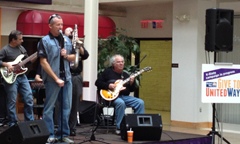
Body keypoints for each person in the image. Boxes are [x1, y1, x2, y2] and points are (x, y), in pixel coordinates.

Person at [37, 14, 76, 143]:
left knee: (66, 108)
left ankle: (63, 134)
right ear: (50, 26)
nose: (60, 27)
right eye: (58, 25)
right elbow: (43, 62)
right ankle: (49, 134)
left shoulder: (66, 40)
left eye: (61, 24)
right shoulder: (44, 41)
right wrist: (56, 78)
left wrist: (66, 56)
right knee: (49, 108)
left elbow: (74, 58)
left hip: (67, 78)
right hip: (52, 80)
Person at [95, 54, 145, 135]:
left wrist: (132, 83)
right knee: (120, 103)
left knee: (140, 102)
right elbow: (97, 83)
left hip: (124, 96)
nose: (121, 64)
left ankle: (137, 126)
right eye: (118, 62)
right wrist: (108, 85)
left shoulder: (125, 75)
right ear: (113, 64)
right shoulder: (107, 72)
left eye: (122, 62)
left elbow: (131, 90)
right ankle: (120, 127)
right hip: (112, 97)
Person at [0, 30, 35, 127]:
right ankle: (13, 124)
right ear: (13, 40)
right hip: (10, 78)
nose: (22, 41)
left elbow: (27, 62)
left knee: (29, 98)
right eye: (20, 39)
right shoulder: (5, 50)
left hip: (22, 76)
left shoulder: (22, 49)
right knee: (12, 101)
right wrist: (7, 64)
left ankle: (29, 122)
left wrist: (36, 56)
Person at [64, 27, 89, 136]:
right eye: (69, 31)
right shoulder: (62, 43)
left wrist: (79, 45)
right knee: (64, 103)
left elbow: (85, 55)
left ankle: (72, 127)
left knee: (75, 103)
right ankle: (61, 127)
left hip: (76, 76)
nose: (71, 32)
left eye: (72, 31)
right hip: (64, 75)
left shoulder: (77, 45)